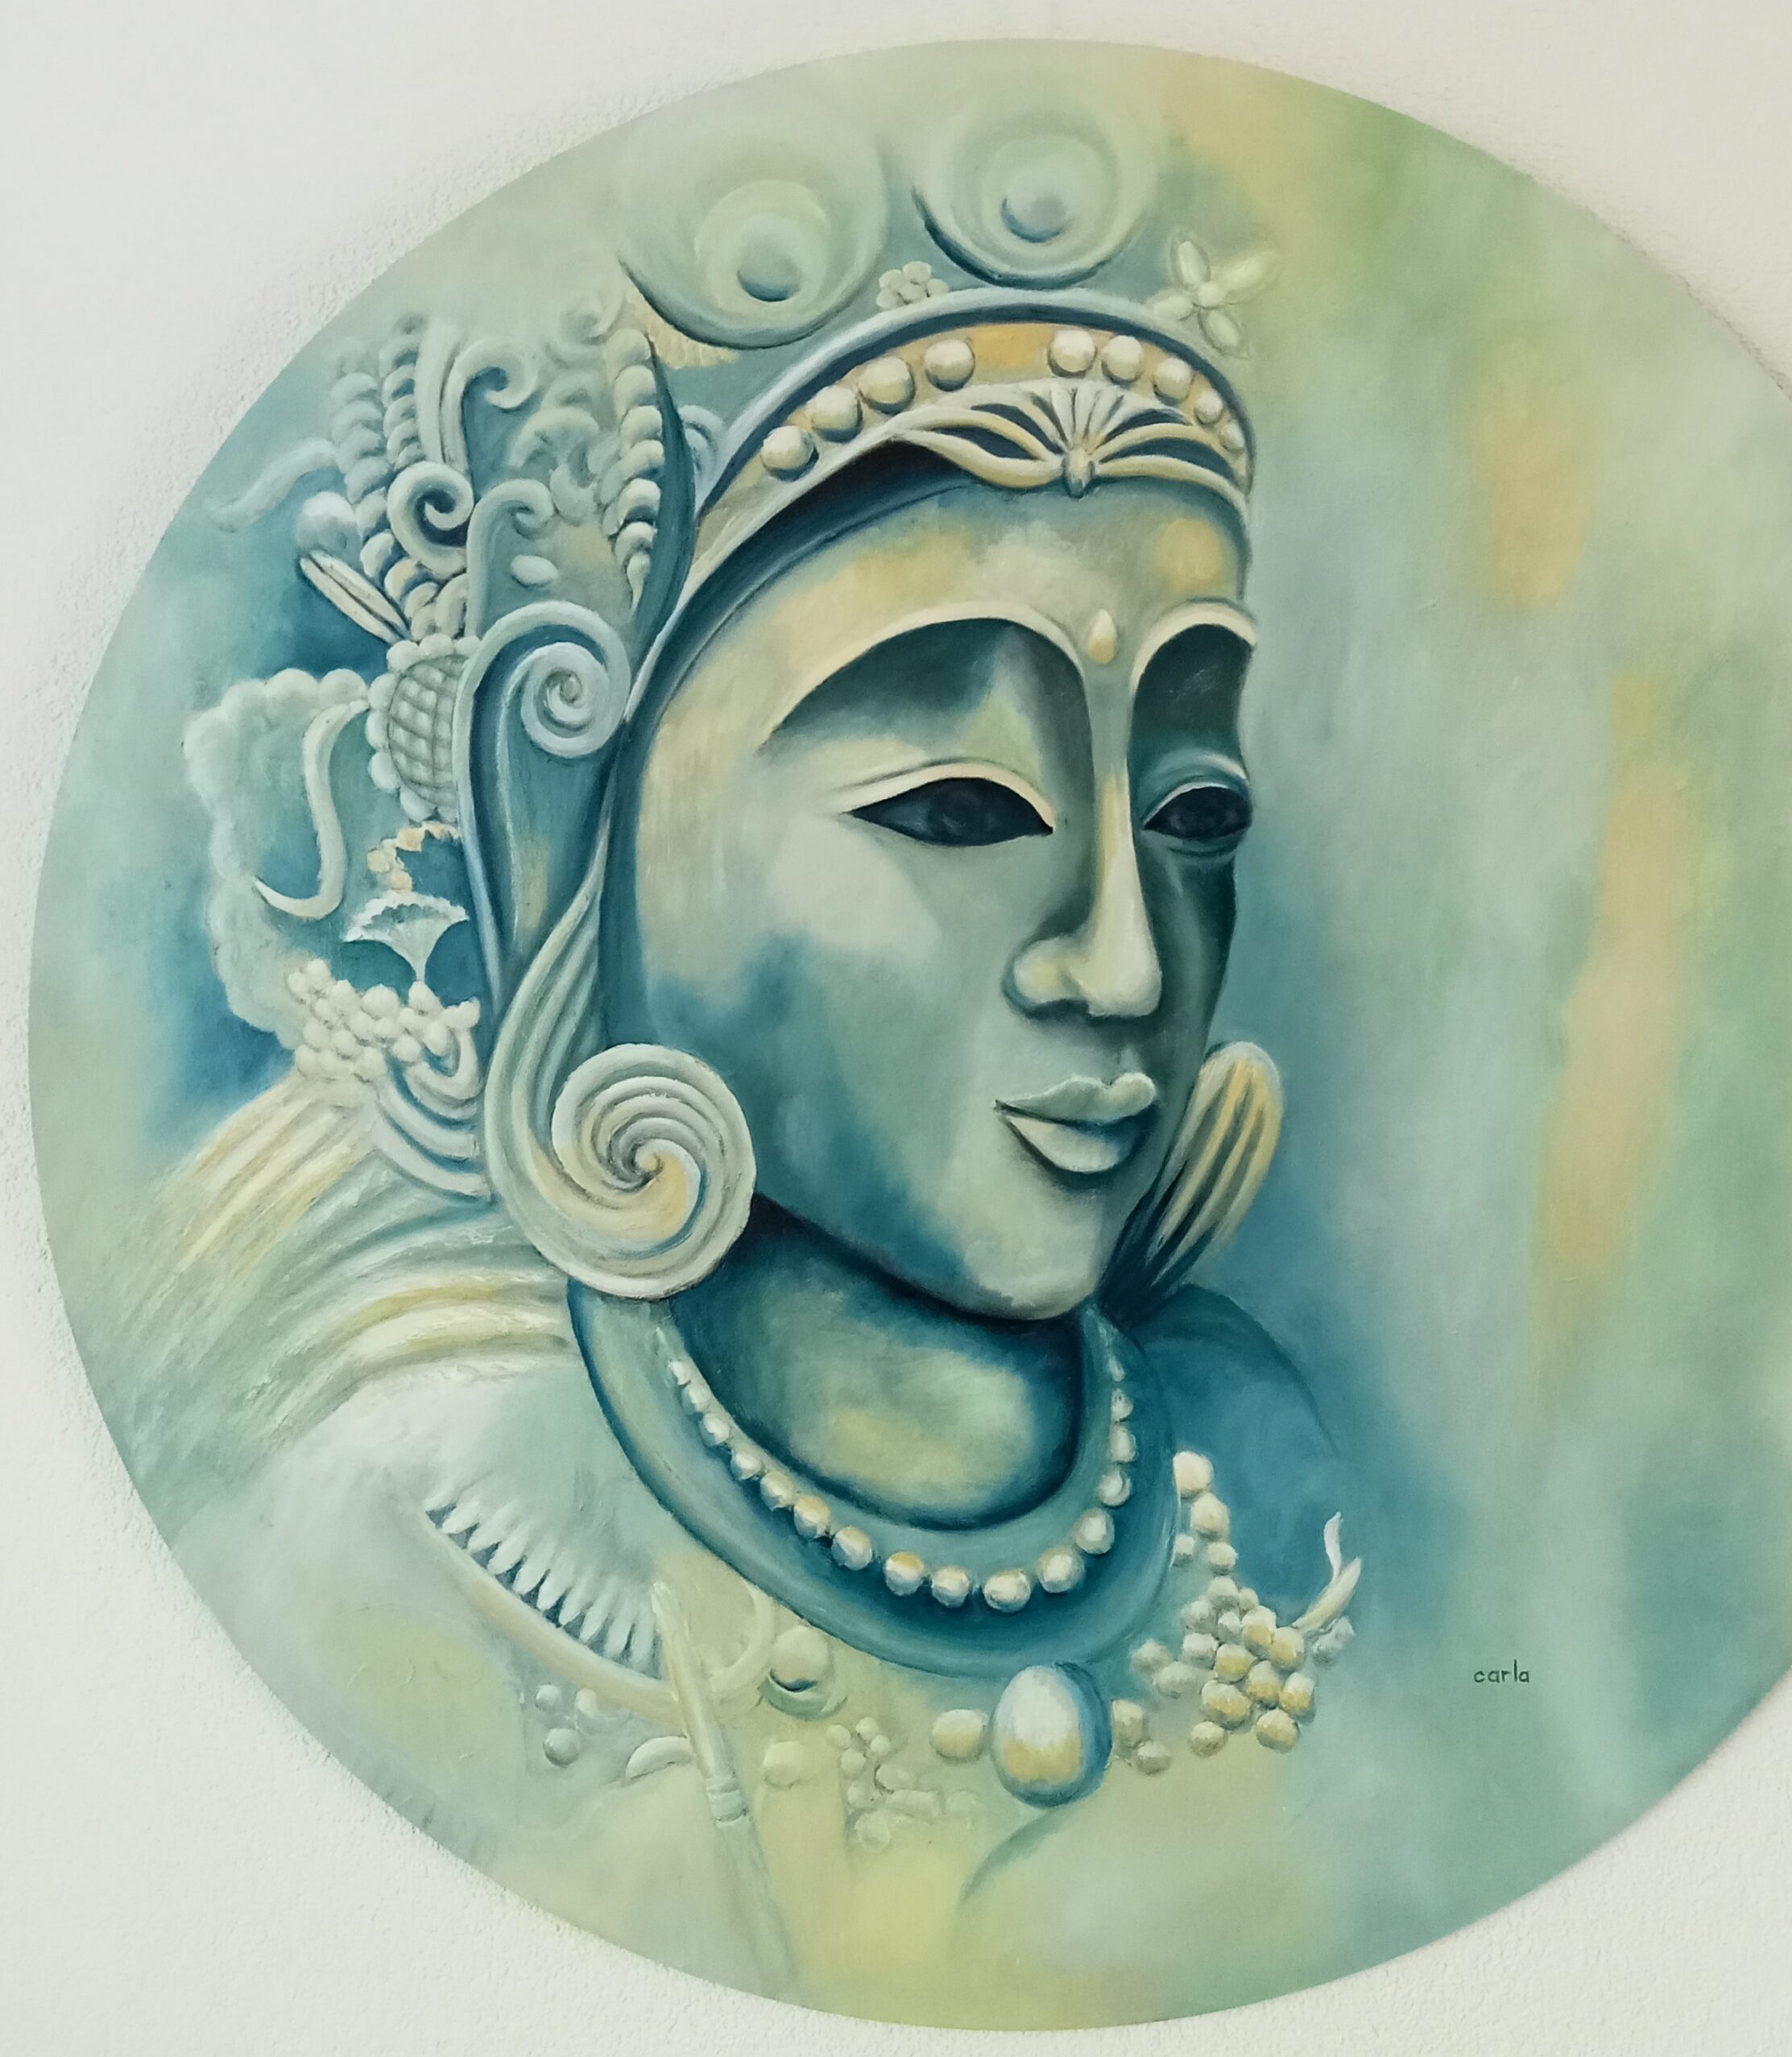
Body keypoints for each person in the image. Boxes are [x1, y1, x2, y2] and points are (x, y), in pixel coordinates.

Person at [108, 176, 1366, 2026]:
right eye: (955, 805)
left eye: (1192, 810)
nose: (1121, 961)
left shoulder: (1250, 1458)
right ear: (576, 836)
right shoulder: (408, 1549)